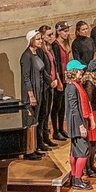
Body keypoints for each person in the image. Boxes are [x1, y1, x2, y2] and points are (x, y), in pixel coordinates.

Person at [20, 30, 53, 160]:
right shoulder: (26, 56)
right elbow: (26, 78)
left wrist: (51, 82)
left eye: (40, 38)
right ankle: (28, 151)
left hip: (40, 90)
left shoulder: (37, 53)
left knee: (38, 120)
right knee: (30, 122)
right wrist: (31, 96)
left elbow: (43, 71)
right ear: (32, 40)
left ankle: (36, 146)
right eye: (38, 39)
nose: (40, 41)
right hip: (31, 93)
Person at [64, 59, 95, 190]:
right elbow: (74, 108)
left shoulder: (75, 85)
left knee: (76, 150)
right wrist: (81, 126)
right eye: (79, 70)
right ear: (73, 72)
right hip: (76, 123)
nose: (82, 73)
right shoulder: (72, 87)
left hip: (77, 122)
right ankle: (77, 179)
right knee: (83, 151)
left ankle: (75, 177)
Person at [38, 25, 60, 148]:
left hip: (52, 82)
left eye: (52, 34)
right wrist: (50, 80)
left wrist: (56, 79)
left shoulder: (50, 48)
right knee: (44, 112)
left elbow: (54, 65)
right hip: (45, 84)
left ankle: (46, 136)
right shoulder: (41, 50)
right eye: (49, 35)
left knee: (48, 111)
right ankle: (42, 138)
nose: (51, 37)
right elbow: (42, 69)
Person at [50, 21, 71, 141]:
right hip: (59, 78)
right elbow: (56, 64)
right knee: (57, 105)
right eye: (64, 31)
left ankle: (62, 129)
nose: (67, 33)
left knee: (63, 105)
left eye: (67, 31)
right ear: (58, 32)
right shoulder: (55, 45)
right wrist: (58, 80)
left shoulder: (66, 44)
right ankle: (55, 130)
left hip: (66, 77)